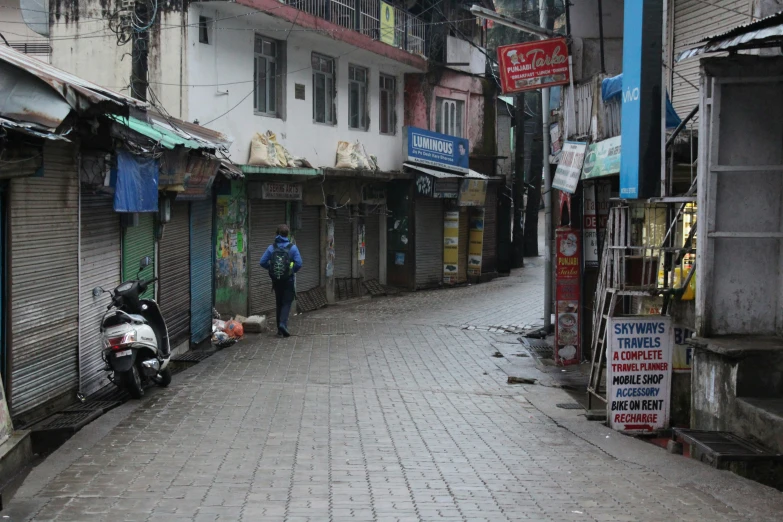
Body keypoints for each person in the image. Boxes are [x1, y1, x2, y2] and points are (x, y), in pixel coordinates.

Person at [260, 224, 303, 337]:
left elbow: (262, 262)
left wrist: (272, 269)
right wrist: (291, 271)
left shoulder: (271, 248)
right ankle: (283, 324)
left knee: (279, 303)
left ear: (277, 234)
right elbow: (299, 263)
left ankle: (279, 329)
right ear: (287, 234)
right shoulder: (292, 248)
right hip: (288, 280)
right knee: (286, 302)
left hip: (276, 280)